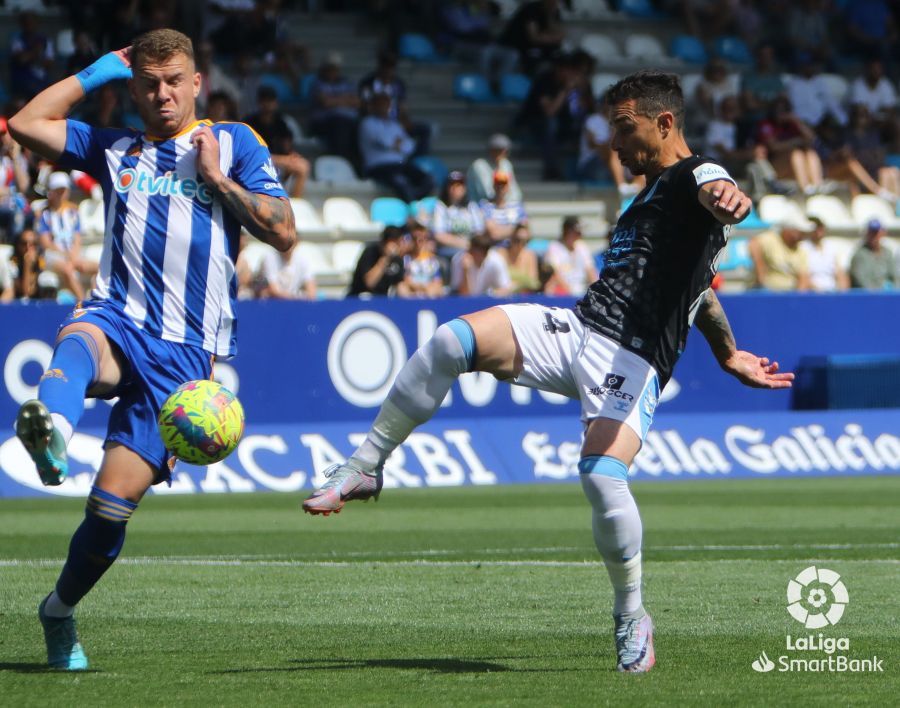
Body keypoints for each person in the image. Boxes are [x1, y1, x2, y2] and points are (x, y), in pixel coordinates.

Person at [302, 71, 793, 673]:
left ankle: (630, 615)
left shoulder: (695, 175)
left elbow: (720, 187)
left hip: (633, 360)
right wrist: (726, 352)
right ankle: (365, 467)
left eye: (623, 127)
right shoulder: (647, 197)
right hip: (580, 329)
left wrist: (731, 198)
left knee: (600, 476)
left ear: (664, 124)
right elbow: (703, 295)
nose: (612, 143)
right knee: (449, 342)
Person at [8, 28, 296, 671]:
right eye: (147, 83)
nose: (161, 94)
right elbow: (27, 123)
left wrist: (218, 180)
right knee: (82, 336)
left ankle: (57, 611)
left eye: (174, 82)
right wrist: (100, 68)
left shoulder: (236, 143)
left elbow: (283, 232)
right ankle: (52, 428)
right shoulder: (117, 150)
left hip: (187, 360)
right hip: (120, 316)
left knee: (109, 512)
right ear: (133, 88)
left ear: (197, 83)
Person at [358, 90, 434, 202]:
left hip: (399, 164)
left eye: (386, 104)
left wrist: (396, 144)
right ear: (373, 106)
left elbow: (409, 146)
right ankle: (413, 209)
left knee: (428, 180)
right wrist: (396, 143)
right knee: (401, 182)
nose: (384, 107)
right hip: (378, 167)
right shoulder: (367, 123)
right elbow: (383, 142)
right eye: (381, 104)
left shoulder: (394, 124)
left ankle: (415, 203)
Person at [35, 171, 99, 302]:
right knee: (68, 269)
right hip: (52, 256)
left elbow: (77, 238)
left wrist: (74, 255)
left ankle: (97, 300)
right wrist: (66, 255)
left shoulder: (72, 213)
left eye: (63, 191)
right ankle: (83, 303)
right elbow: (46, 243)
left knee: (98, 268)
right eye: (58, 191)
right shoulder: (44, 215)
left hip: (71, 254)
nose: (61, 195)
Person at [243, 85, 309, 198]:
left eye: (271, 101)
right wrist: (284, 160)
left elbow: (287, 147)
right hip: (256, 161)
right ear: (259, 103)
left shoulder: (281, 123)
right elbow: (248, 153)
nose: (267, 104)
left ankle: (294, 206)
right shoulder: (249, 123)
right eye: (265, 101)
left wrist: (291, 157)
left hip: (279, 162)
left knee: (302, 166)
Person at [431, 170, 485, 265]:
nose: (455, 188)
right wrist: (466, 244)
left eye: (459, 184)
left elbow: (479, 232)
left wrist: (471, 247)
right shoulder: (441, 207)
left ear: (464, 188)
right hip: (448, 254)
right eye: (452, 184)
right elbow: (439, 236)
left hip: (471, 253)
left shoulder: (471, 207)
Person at [748, 217, 812, 291]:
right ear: (789, 231)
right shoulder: (771, 239)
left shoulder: (801, 251)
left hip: (789, 294)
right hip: (765, 292)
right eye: (800, 233)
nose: (802, 237)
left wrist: (798, 298)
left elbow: (803, 277)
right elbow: (753, 244)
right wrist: (760, 267)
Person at [544, 215, 599, 296]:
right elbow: (555, 274)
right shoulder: (555, 247)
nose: (580, 235)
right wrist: (571, 294)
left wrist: (597, 290)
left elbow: (590, 271)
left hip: (582, 289)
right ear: (567, 231)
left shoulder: (582, 246)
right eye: (577, 232)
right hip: (562, 291)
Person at [348, 225, 409, 297]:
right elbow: (370, 283)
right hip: (362, 296)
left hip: (382, 298)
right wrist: (385, 259)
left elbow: (399, 284)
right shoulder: (370, 253)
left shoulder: (397, 259)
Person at [466, 133, 522, 204]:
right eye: (496, 150)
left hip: (503, 205)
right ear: (490, 150)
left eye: (502, 150)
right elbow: (488, 194)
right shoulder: (479, 165)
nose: (499, 153)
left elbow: (516, 193)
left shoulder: (506, 164)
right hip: (479, 207)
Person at [801, 216, 849, 292]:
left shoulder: (832, 247)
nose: (819, 230)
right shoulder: (803, 248)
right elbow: (803, 276)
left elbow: (840, 273)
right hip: (812, 294)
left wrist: (842, 293)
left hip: (832, 293)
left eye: (821, 227)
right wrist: (820, 291)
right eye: (816, 227)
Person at [398, 221, 444, 298]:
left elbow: (438, 281)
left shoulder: (432, 260)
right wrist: (420, 288)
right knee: (401, 287)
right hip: (412, 289)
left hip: (428, 288)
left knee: (435, 289)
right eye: (415, 238)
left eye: (422, 238)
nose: (418, 242)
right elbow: (406, 280)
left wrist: (426, 288)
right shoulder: (406, 258)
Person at [479, 170, 527, 243]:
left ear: (508, 186)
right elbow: (494, 234)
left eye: (503, 184)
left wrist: (502, 230)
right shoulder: (485, 205)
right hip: (494, 248)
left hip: (515, 248)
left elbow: (525, 233)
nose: (500, 187)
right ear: (493, 186)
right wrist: (516, 228)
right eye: (498, 184)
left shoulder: (517, 206)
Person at [849, 219, 897, 289]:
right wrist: (878, 291)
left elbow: (893, 276)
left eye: (876, 233)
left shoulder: (888, 253)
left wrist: (891, 288)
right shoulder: (859, 255)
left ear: (882, 233)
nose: (874, 236)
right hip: (868, 296)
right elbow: (861, 281)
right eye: (871, 233)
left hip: (886, 295)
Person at [496, 222, 542, 294]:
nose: (520, 245)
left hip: (523, 298)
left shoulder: (529, 255)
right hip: (502, 298)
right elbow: (496, 280)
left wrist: (514, 286)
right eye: (517, 240)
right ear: (511, 238)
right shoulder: (500, 254)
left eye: (525, 241)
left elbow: (534, 283)